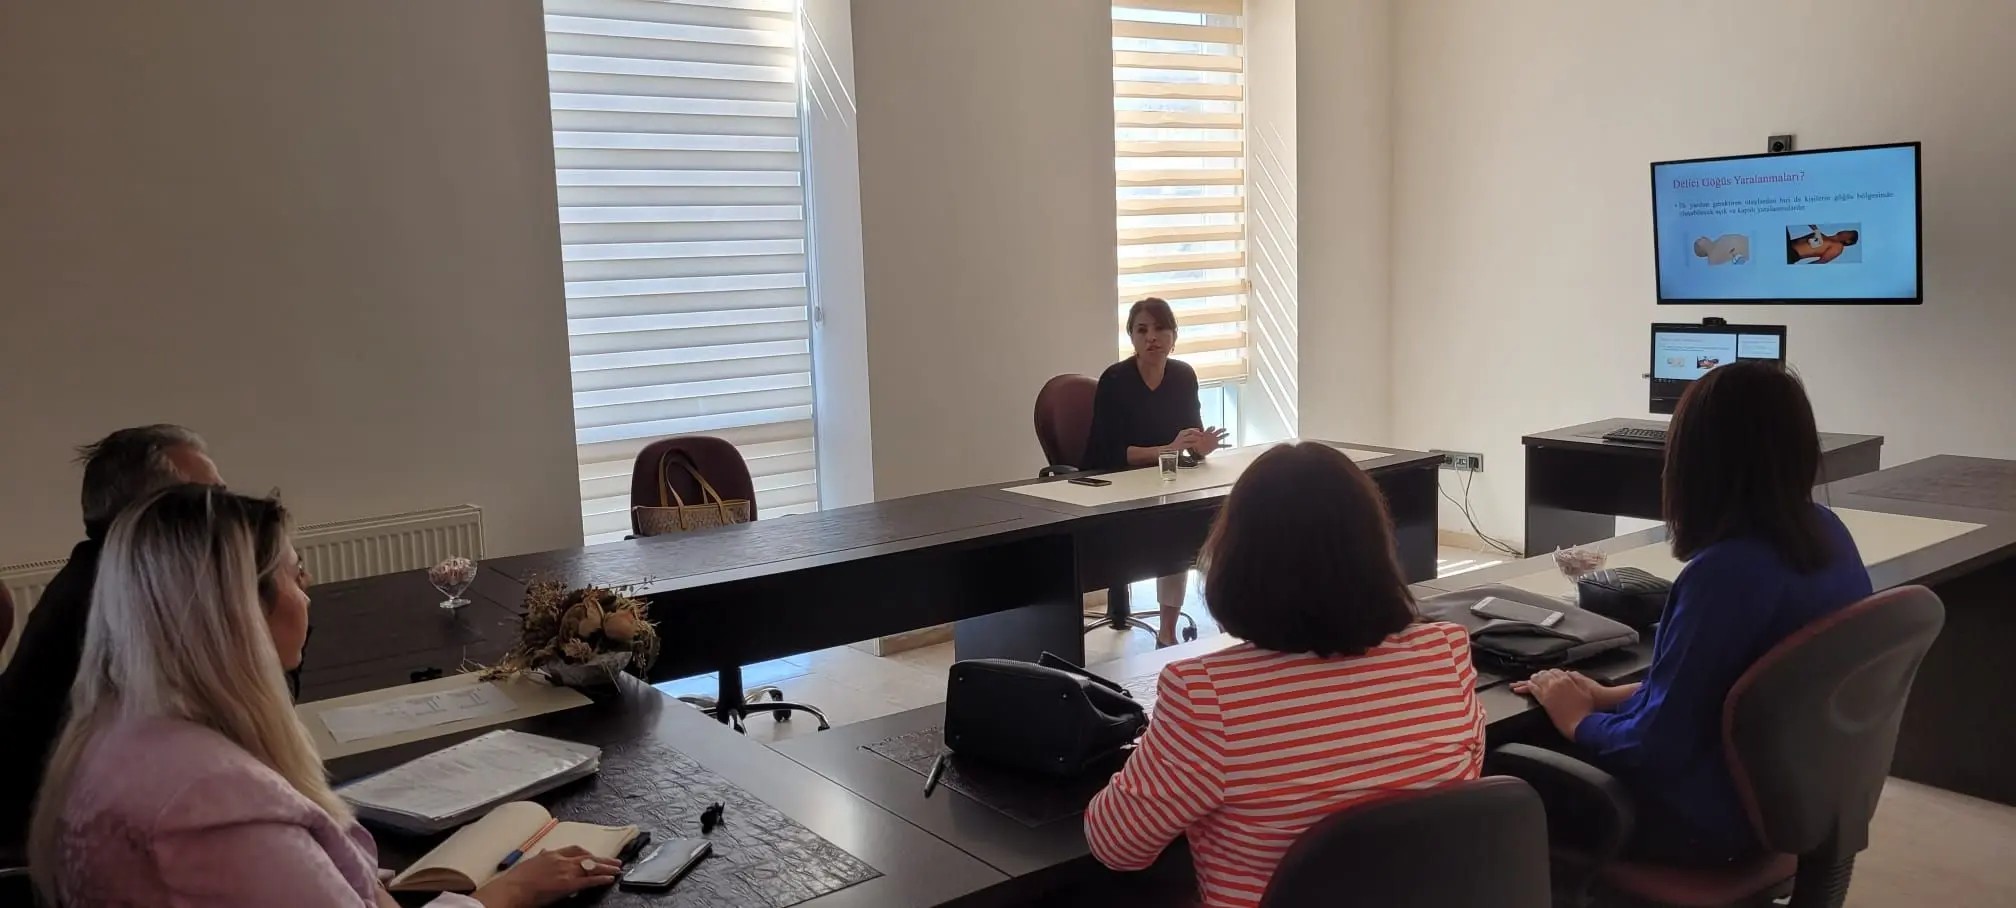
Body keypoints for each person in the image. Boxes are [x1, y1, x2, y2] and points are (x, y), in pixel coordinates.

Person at [29, 485, 620, 907]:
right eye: (295, 574)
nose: (307, 592)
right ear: (240, 612)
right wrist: (501, 895)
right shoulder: (212, 802)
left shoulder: (114, 735)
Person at [1084, 443, 1485, 908]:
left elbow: (1117, 846)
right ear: (1376, 549)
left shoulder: (1206, 698)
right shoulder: (1445, 654)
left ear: (1237, 559)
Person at [1517, 361, 1872, 863]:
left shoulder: (1725, 574)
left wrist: (1578, 719)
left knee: (1507, 765)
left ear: (1694, 460)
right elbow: (1735, 687)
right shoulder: (1829, 532)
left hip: (1705, 822)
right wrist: (1607, 696)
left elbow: (1653, 749)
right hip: (1789, 794)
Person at [0, 424, 224, 844]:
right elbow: (220, 729)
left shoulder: (100, 571)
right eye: (209, 498)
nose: (226, 515)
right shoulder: (119, 599)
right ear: (150, 512)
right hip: (54, 839)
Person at [1084, 297, 1231, 645]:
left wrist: (1200, 447)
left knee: (1195, 525)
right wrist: (1169, 450)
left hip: (1164, 481)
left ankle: (1193, 630)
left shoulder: (1183, 376)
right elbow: (1111, 453)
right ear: (1132, 338)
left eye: (1160, 328)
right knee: (1172, 531)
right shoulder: (1115, 380)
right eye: (1142, 330)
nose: (1152, 337)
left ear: (1173, 336)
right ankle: (1167, 634)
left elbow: (1189, 438)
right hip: (1114, 485)